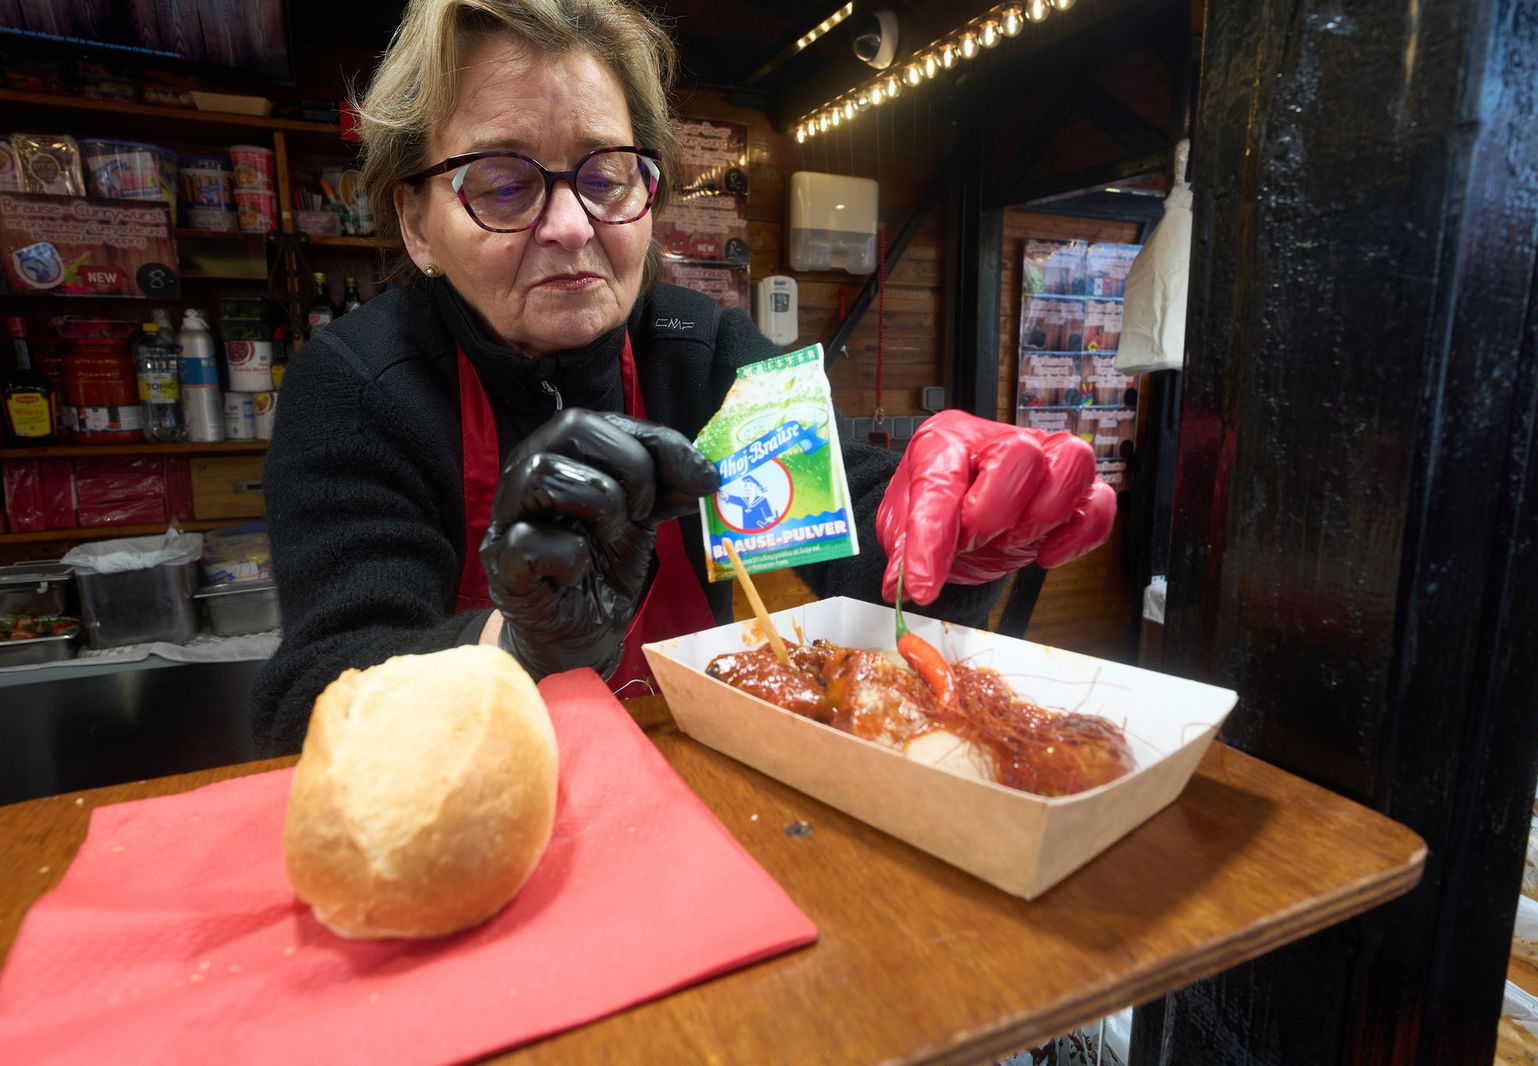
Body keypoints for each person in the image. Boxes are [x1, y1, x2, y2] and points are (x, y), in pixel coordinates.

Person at [249, 0, 1116, 757]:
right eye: (504, 184)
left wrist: (957, 526)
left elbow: (849, 515)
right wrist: (522, 645)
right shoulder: (360, 384)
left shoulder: (698, 351)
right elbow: (311, 703)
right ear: (416, 224)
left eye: (606, 176)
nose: (569, 225)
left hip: (696, 790)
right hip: (482, 829)